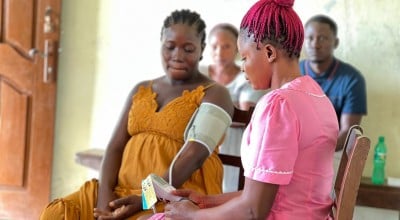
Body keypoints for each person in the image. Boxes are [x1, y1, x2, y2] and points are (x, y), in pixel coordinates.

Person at [147, 0, 340, 219]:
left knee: (156, 217)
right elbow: (266, 194)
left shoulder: (278, 105)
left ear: (269, 52)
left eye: (245, 57)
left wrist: (193, 216)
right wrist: (206, 201)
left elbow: (253, 210)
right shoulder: (316, 96)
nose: (242, 67)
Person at [39, 9, 234, 220]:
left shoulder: (215, 93)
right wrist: (105, 204)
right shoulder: (141, 89)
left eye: (188, 49)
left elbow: (194, 156)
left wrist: (145, 198)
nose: (177, 56)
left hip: (173, 198)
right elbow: (114, 148)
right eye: (170, 47)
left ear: (202, 49)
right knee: (57, 214)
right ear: (160, 44)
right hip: (121, 192)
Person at [299, 14, 367, 185]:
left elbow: (347, 132)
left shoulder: (352, 79)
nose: (315, 44)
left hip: (332, 151)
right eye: (310, 38)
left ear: (335, 43)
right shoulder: (293, 73)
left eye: (322, 38)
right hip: (293, 147)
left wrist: (312, 154)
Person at [200, 23, 267, 192]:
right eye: (215, 47)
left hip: (233, 146)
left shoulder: (245, 76)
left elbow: (244, 115)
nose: (219, 52)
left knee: (226, 191)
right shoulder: (199, 73)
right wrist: (229, 108)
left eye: (226, 46)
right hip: (199, 145)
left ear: (237, 49)